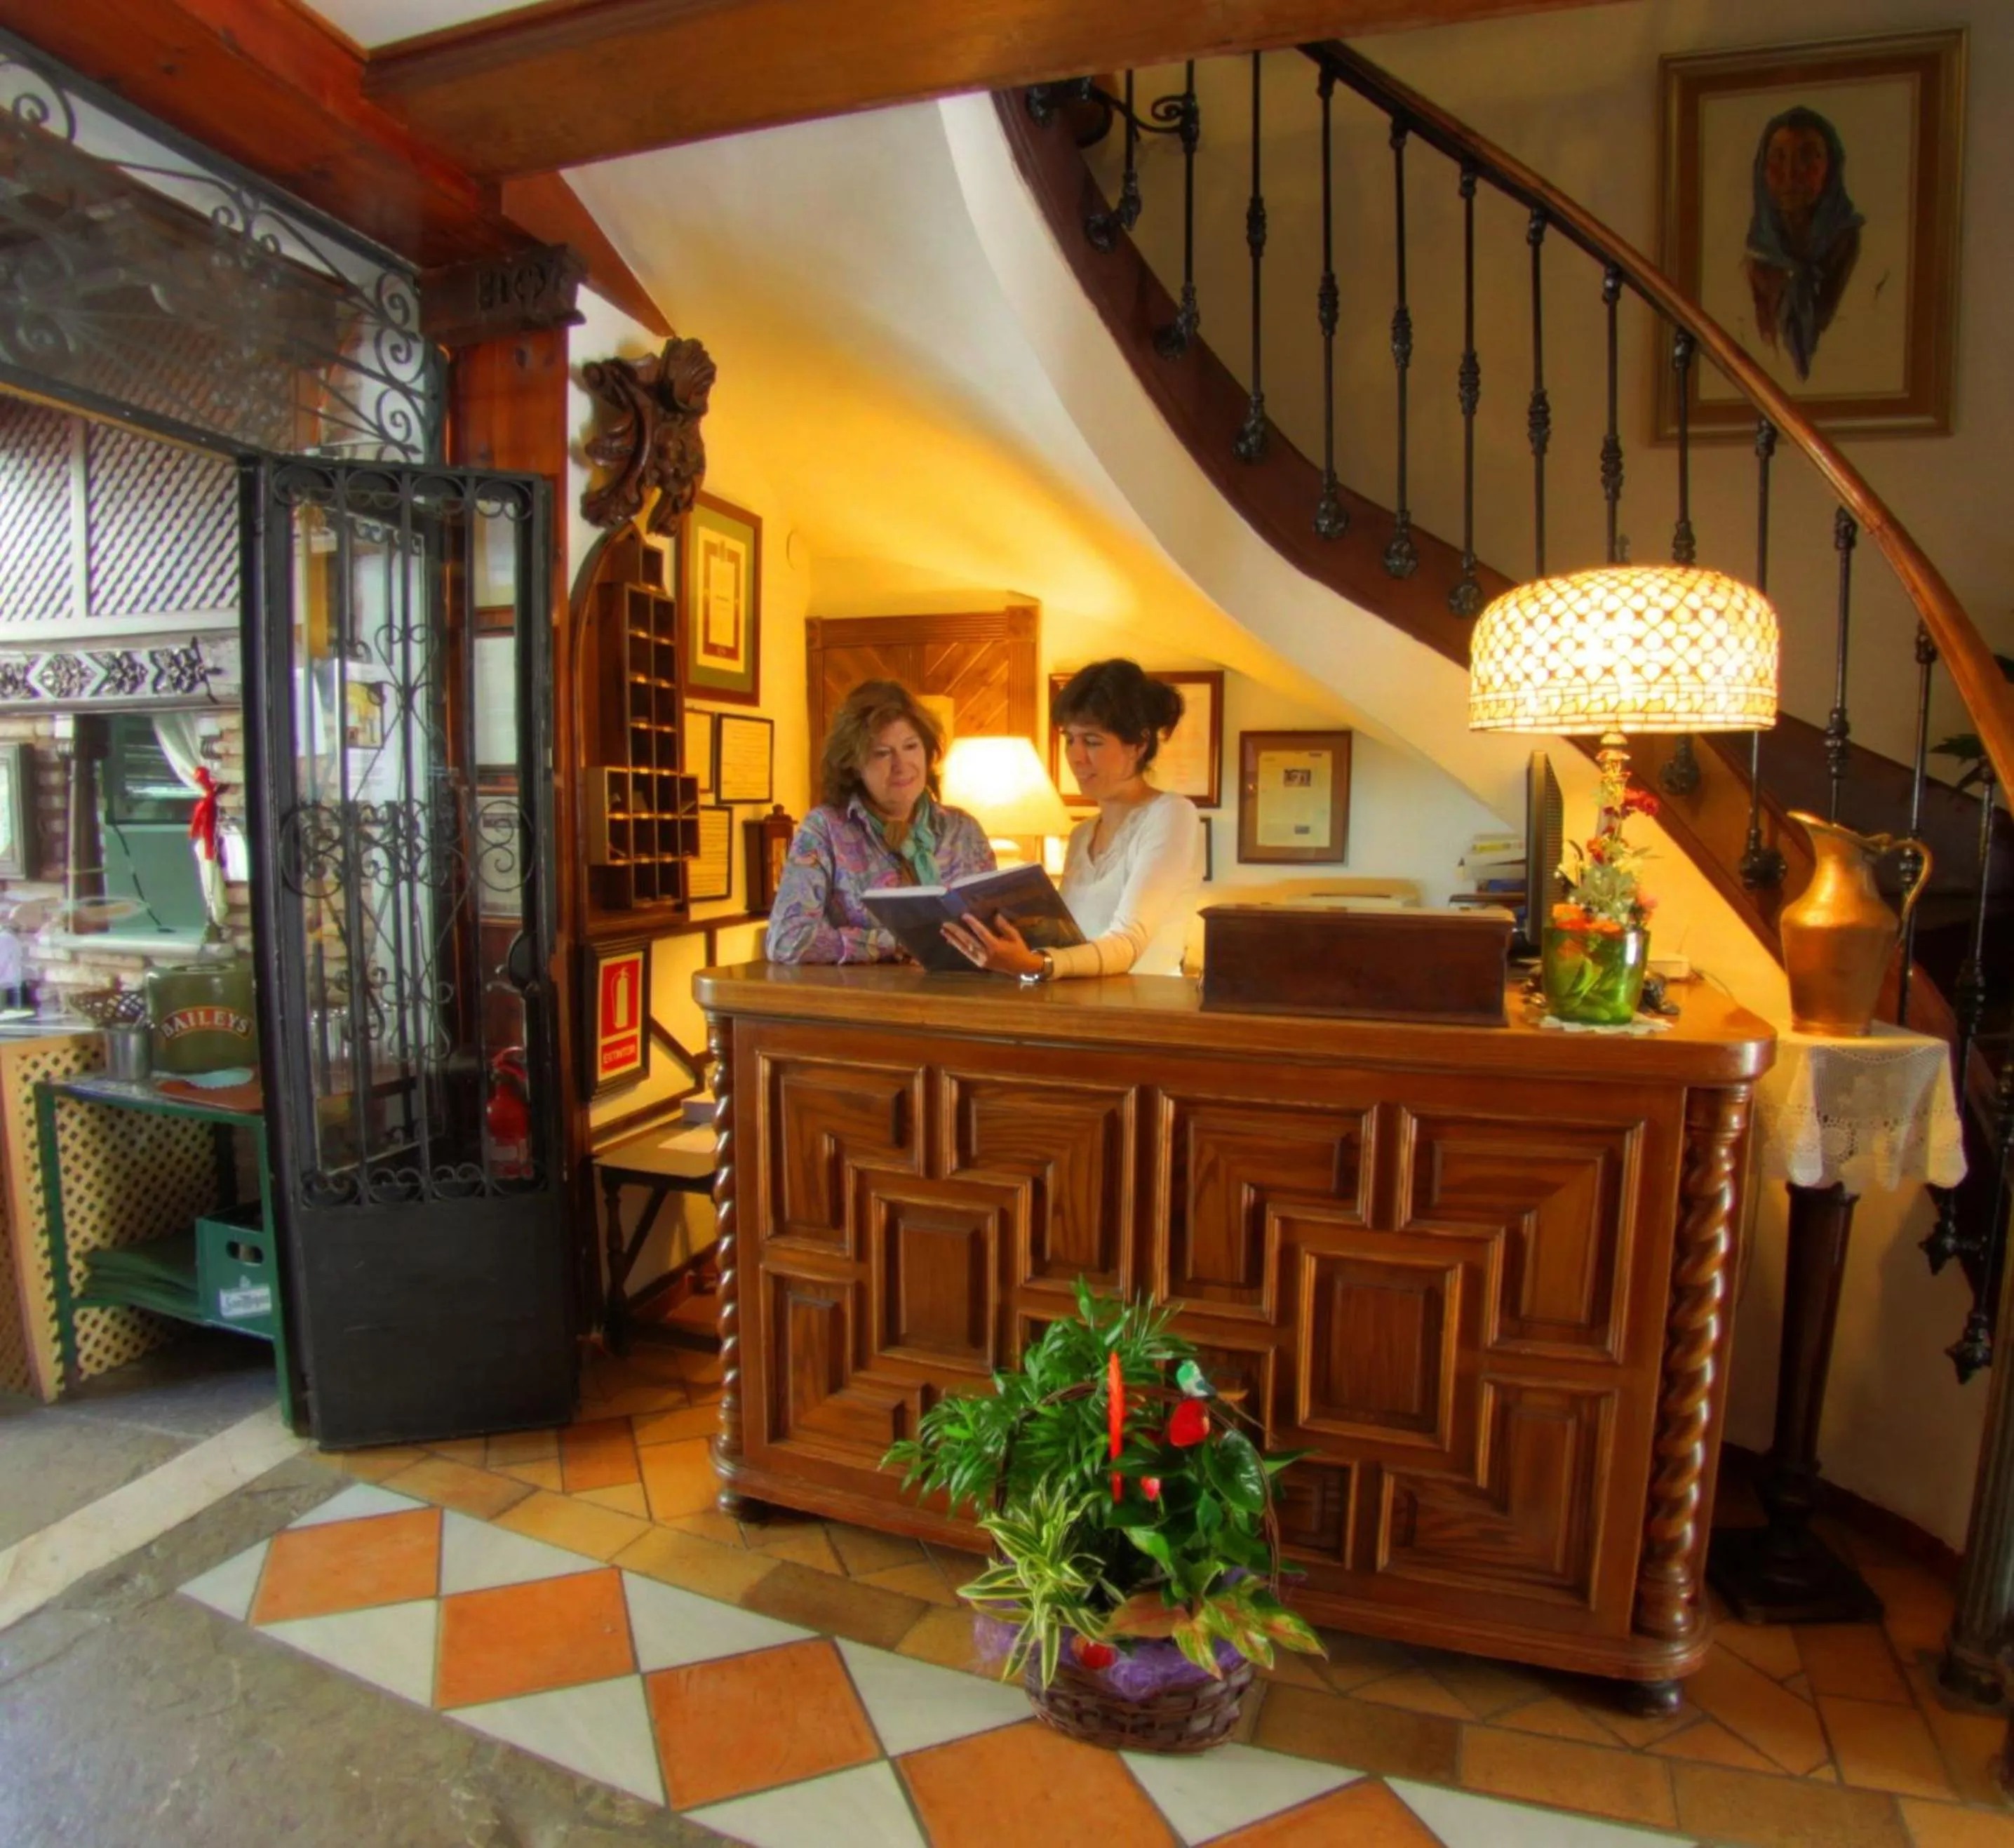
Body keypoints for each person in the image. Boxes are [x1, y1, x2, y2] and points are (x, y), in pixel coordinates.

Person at [945, 659, 1205, 981]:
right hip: (1079, 1011)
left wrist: (1037, 964)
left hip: (1145, 1015)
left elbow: (1128, 942)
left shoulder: (1172, 814)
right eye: (1070, 740)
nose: (1076, 757)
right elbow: (1066, 940)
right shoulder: (1082, 835)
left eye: (1093, 742)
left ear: (1138, 744)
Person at [765, 680, 994, 964]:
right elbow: (786, 940)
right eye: (883, 753)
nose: (901, 765)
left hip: (962, 999)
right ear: (853, 764)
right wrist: (893, 943)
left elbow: (992, 929)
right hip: (864, 1003)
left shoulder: (963, 830)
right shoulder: (824, 830)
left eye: (911, 747)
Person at [1743, 105, 1862, 382]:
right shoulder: (1752, 262)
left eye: (1808, 158)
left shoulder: (1856, 252)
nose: (1790, 174)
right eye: (1778, 159)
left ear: (1831, 169)